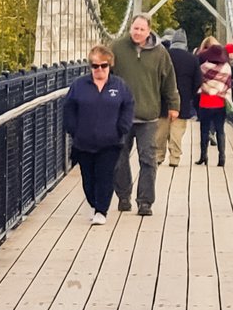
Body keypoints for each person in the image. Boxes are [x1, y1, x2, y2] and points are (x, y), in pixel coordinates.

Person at [109, 13, 179, 215]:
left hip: (148, 115)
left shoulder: (160, 53)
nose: (137, 32)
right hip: (121, 114)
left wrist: (174, 104)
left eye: (141, 29)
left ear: (149, 31)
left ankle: (145, 202)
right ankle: (123, 195)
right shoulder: (116, 48)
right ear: (130, 28)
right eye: (135, 28)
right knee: (118, 158)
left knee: (148, 159)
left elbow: (169, 80)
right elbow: (104, 74)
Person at [63, 45, 134, 225]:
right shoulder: (79, 85)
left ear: (110, 66)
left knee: (105, 175)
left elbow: (128, 105)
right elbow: (69, 107)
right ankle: (95, 203)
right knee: (88, 180)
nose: (99, 70)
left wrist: (122, 128)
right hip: (84, 141)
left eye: (103, 66)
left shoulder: (119, 86)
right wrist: (73, 129)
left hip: (111, 142)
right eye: (95, 66)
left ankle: (101, 210)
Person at [156, 27, 201, 167]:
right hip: (183, 99)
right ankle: (174, 157)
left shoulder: (163, 55)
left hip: (163, 99)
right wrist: (190, 95)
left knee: (160, 131)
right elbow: (198, 81)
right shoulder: (192, 59)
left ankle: (158, 156)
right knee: (177, 131)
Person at [196, 36, 233, 166]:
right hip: (220, 102)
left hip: (205, 102)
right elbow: (228, 84)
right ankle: (221, 158)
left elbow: (198, 82)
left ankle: (203, 156)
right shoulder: (227, 68)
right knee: (220, 130)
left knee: (204, 129)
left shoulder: (203, 67)